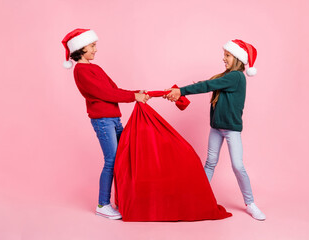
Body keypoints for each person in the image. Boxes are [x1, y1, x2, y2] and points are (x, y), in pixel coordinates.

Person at [165, 39, 266, 221]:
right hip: (216, 129)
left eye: (227, 55)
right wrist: (180, 91)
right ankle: (198, 196)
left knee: (237, 165)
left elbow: (207, 86)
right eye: (224, 55)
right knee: (210, 162)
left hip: (231, 130)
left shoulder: (236, 77)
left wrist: (181, 91)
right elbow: (207, 84)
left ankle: (250, 203)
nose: (223, 59)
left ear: (236, 58)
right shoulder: (226, 76)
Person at [62, 29, 149, 220]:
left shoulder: (96, 68)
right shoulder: (81, 71)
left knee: (123, 158)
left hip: (114, 119)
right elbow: (105, 94)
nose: (95, 50)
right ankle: (103, 204)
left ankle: (123, 199)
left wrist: (137, 92)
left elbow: (113, 89)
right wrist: (134, 96)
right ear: (80, 49)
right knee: (111, 160)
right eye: (92, 46)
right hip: (103, 122)